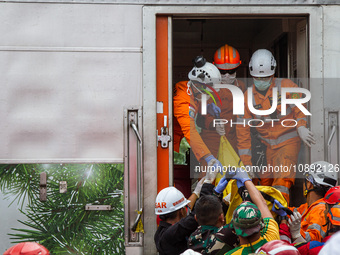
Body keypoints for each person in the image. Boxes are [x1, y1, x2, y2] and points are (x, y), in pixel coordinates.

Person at [236, 49, 316, 202]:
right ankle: (265, 218)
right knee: (263, 181)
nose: (261, 80)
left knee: (282, 181)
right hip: (266, 147)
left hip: (288, 142)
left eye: (265, 77)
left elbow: (300, 106)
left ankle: (281, 219)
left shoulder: (286, 86)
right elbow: (242, 132)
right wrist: (246, 164)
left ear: (272, 74)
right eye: (258, 77)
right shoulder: (247, 97)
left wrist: (301, 126)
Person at [173, 56, 224, 172]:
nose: (208, 95)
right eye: (206, 92)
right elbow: (191, 132)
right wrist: (208, 157)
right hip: (168, 144)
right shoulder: (182, 101)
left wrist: (209, 116)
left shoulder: (192, 91)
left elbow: (200, 117)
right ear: (198, 85)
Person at [199, 44, 246, 156]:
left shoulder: (241, 87)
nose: (227, 76)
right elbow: (200, 119)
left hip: (234, 140)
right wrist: (214, 125)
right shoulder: (208, 88)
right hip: (212, 140)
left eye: (231, 71)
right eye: (222, 72)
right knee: (210, 171)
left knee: (235, 172)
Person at [154, 175, 217, 255]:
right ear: (181, 211)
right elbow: (196, 216)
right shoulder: (171, 234)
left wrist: (196, 193)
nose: (187, 209)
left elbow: (188, 213)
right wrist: (207, 187)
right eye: (184, 207)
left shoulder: (161, 232)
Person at [224, 168, 280, 255]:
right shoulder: (272, 239)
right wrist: (246, 180)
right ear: (261, 224)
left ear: (234, 230)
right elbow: (262, 204)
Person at [284, 161, 338, 243]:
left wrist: (296, 232)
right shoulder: (310, 207)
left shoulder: (320, 209)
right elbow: (293, 212)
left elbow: (312, 240)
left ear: (309, 184)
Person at [188, 176, 239, 254]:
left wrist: (216, 193)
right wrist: (242, 189)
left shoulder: (192, 238)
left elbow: (208, 208)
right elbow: (243, 218)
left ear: (196, 218)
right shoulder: (225, 235)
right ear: (222, 217)